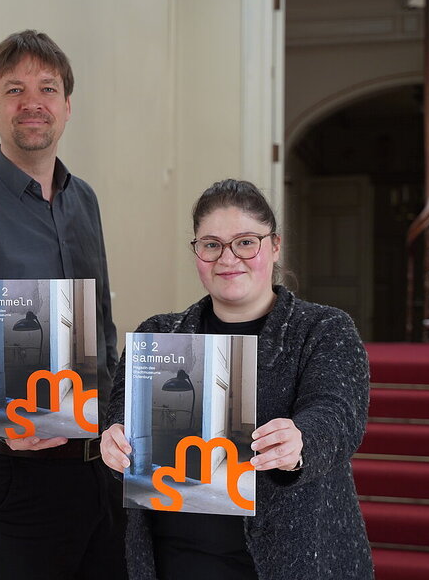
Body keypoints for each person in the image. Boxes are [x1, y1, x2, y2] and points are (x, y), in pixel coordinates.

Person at [0, 29, 126, 579]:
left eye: (48, 88)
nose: (32, 102)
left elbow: (102, 333)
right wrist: (1, 417)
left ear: (66, 106)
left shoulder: (85, 201)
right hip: (16, 475)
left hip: (100, 472)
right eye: (14, 90)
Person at [101, 179, 373, 579]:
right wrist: (114, 442)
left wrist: (301, 440)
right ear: (196, 252)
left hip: (290, 561)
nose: (227, 258)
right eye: (211, 244)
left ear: (274, 245)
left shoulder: (323, 328)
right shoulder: (159, 334)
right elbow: (120, 419)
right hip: (176, 560)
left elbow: (336, 412)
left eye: (246, 242)